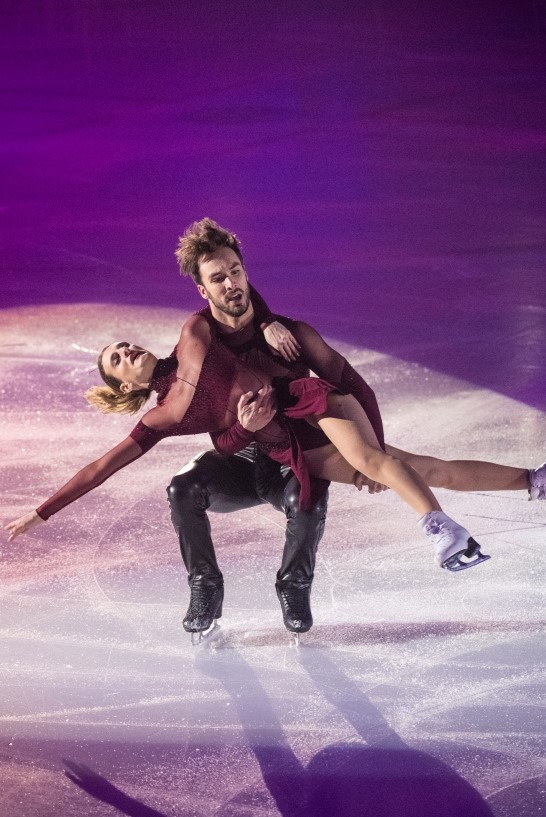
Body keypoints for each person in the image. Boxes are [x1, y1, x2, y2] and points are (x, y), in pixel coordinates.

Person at [5, 221, 545, 638]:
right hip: (283, 445)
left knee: (385, 465)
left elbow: (232, 310)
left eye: (235, 270)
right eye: (118, 359)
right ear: (123, 386)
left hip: (303, 411)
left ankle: (432, 533)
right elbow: (103, 466)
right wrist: (42, 511)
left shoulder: (196, 334)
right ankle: (532, 482)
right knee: (420, 468)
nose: (127, 350)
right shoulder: (163, 414)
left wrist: (267, 320)